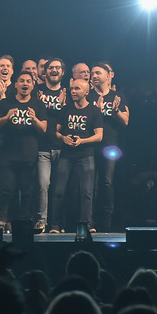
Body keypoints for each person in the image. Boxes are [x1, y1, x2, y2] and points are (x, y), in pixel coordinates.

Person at [0, 71, 47, 233]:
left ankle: (24, 222)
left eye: (28, 81)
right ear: (15, 84)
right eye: (22, 81)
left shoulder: (38, 104)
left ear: (32, 85)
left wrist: (34, 118)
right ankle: (1, 221)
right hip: (7, 155)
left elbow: (43, 128)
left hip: (28, 155)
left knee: (27, 191)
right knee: (6, 188)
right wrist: (6, 117)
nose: (25, 84)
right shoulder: (5, 103)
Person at [49, 78, 103, 234]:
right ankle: (55, 225)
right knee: (59, 190)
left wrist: (82, 141)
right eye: (72, 89)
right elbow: (57, 131)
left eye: (77, 89)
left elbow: (99, 136)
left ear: (86, 91)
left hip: (86, 154)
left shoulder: (94, 111)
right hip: (67, 155)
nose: (73, 91)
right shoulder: (65, 109)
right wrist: (63, 137)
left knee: (87, 191)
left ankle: (87, 223)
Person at [90, 62, 129, 232]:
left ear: (108, 76)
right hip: (90, 144)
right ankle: (89, 221)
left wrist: (116, 111)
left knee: (107, 182)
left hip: (110, 145)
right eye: (92, 73)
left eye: (98, 73)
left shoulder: (117, 95)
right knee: (90, 184)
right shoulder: (88, 95)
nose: (94, 75)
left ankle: (106, 223)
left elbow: (126, 121)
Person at [34, 57, 67, 232]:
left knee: (59, 188)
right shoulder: (36, 91)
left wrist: (64, 106)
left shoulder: (68, 92)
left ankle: (57, 223)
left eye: (57, 68)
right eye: (51, 68)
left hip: (62, 147)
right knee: (43, 185)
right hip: (42, 146)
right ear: (44, 72)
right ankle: (42, 221)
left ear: (62, 72)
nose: (54, 70)